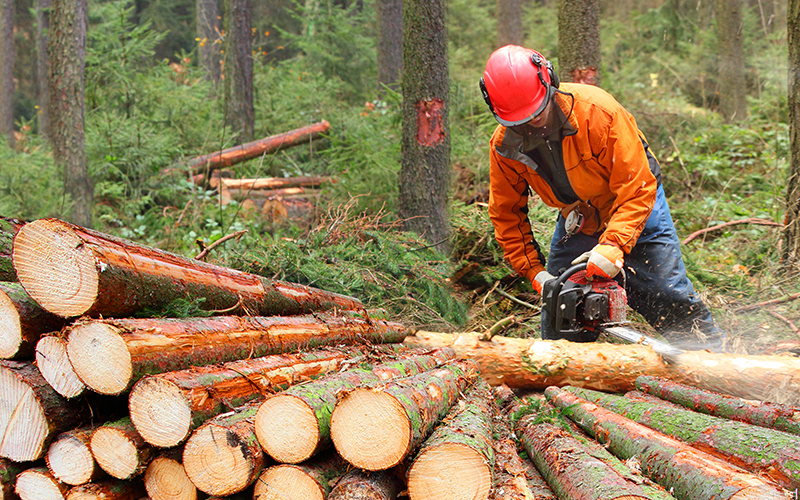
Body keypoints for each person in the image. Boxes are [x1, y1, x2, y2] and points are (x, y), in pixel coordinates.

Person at [480, 45, 727, 352]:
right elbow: (506, 214)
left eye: (538, 112)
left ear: (550, 82)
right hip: (579, 216)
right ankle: (565, 385)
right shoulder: (504, 146)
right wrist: (535, 272)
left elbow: (637, 187)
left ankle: (714, 360)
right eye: (520, 120)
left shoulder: (599, 113)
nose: (533, 124)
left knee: (667, 292)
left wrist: (612, 247)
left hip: (633, 203)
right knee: (561, 308)